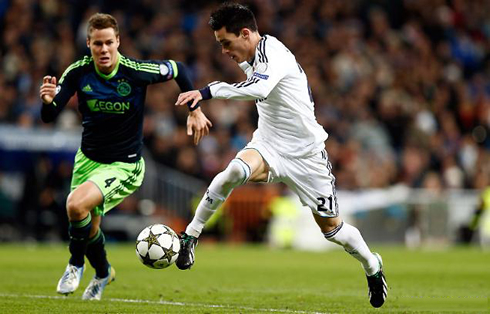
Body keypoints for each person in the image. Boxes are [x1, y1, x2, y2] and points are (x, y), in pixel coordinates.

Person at [175, 2, 387, 308]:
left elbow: (258, 90)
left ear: (245, 33)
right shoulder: (249, 56)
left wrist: (207, 91)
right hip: (270, 144)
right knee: (232, 172)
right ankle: (190, 236)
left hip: (307, 155)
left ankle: (372, 265)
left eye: (226, 43)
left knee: (333, 231)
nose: (224, 52)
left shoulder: (272, 53)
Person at [39, 13, 211, 301]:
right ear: (89, 44)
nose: (104, 50)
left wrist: (195, 109)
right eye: (97, 44)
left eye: (109, 43)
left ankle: (75, 264)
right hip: (88, 160)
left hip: (124, 164)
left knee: (74, 205)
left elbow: (179, 69)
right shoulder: (78, 72)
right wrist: (47, 101)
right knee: (89, 227)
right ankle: (104, 272)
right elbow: (49, 115)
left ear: (118, 42)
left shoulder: (134, 70)